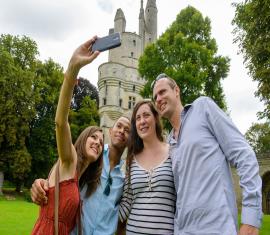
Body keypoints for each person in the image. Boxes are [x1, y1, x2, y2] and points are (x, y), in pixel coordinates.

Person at [151, 73, 263, 235]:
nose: (158, 99)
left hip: (217, 228)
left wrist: (251, 217)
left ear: (176, 91)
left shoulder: (203, 108)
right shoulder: (170, 144)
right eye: (155, 97)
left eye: (162, 92)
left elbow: (244, 155)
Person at [31, 36, 104, 235]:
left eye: (101, 141)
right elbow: (61, 122)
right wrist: (73, 68)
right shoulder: (69, 160)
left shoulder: (79, 178)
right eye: (93, 137)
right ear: (82, 140)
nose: (98, 142)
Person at [31, 114, 131, 234]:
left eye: (127, 130)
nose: (121, 131)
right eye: (119, 126)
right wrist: (42, 184)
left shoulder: (122, 179)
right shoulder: (92, 157)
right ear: (110, 131)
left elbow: (121, 216)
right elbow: (63, 174)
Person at [118, 100, 176, 234]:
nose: (142, 121)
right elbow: (126, 203)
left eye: (146, 115)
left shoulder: (173, 152)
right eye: (138, 118)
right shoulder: (131, 160)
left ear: (156, 118)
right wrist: (100, 218)